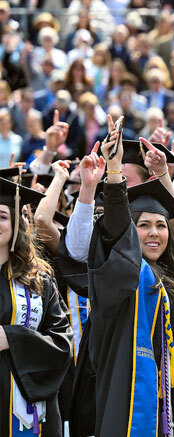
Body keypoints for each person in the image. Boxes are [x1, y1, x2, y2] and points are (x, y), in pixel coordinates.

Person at [88, 129, 174, 436]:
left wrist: (173, 181)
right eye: (143, 225)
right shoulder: (123, 277)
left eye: (160, 226)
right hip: (131, 400)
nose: (154, 233)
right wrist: (115, 171)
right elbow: (116, 230)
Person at [0, 177, 72, 435]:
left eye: (2, 216)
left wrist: (13, 338)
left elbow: (63, 342)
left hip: (29, 411)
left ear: (17, 222)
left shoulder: (38, 279)